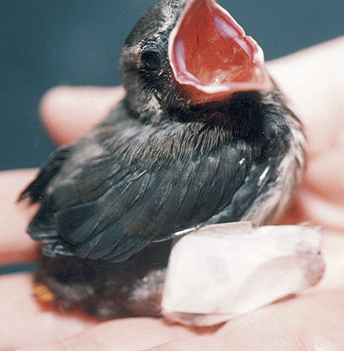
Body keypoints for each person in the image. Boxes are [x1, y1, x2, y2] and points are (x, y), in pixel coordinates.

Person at [1, 37, 344, 351]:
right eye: (153, 60)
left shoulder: (242, 129)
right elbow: (78, 230)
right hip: (87, 263)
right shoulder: (220, 146)